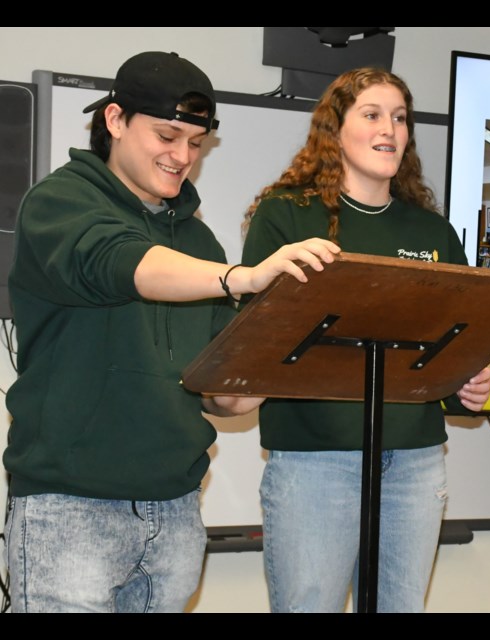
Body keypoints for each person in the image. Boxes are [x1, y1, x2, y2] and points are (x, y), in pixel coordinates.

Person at [2, 51, 339, 613]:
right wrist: (242, 277)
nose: (182, 156)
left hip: (176, 511)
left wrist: (295, 334)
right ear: (114, 121)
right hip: (71, 509)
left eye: (196, 144)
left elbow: (224, 395)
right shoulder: (60, 202)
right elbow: (123, 262)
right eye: (167, 135)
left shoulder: (199, 244)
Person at [241, 67, 490, 613]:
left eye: (400, 118)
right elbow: (255, 341)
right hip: (315, 463)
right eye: (373, 114)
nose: (391, 129)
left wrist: (469, 381)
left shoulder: (433, 232)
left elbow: (462, 339)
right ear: (335, 130)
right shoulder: (288, 216)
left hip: (414, 461)